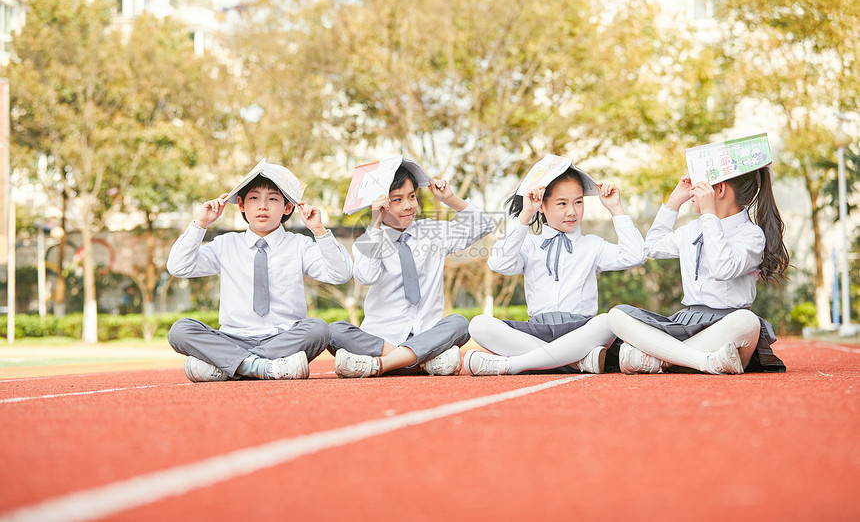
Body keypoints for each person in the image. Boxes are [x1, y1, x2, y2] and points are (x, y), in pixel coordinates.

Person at [167, 164, 353, 382]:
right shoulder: (226, 244)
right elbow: (178, 267)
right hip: (233, 338)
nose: (263, 206)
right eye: (254, 198)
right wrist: (201, 223)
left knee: (318, 329)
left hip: (284, 339)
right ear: (241, 204)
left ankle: (230, 366)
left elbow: (341, 274)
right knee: (180, 330)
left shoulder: (299, 245)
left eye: (273, 199)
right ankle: (262, 367)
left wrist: (319, 231)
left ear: (287, 207)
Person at [464, 162, 646, 376]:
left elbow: (636, 256)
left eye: (578, 202)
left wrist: (615, 207)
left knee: (608, 321)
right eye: (562, 204)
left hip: (580, 331)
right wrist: (525, 214)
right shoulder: (530, 244)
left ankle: (514, 365)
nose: (572, 211)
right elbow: (498, 263)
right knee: (479, 325)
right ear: (542, 206)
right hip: (538, 331)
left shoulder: (592, 245)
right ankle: (575, 363)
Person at [606, 165, 790, 375]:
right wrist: (674, 201)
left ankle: (662, 360)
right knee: (615, 316)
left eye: (698, 183)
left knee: (747, 322)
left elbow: (723, 268)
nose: (691, 189)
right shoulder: (692, 229)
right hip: (689, 323)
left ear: (719, 190)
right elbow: (653, 247)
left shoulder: (751, 235)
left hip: (726, 327)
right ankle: (705, 361)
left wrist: (710, 215)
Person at [330, 161, 494, 378]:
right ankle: (421, 362)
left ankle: (379, 365)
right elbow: (366, 277)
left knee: (460, 324)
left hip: (427, 333)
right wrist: (376, 225)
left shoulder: (432, 232)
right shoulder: (367, 241)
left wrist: (450, 200)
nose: (408, 205)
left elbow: (484, 225)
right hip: (382, 338)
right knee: (334, 331)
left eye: (412, 196)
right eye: (397, 200)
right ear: (379, 204)